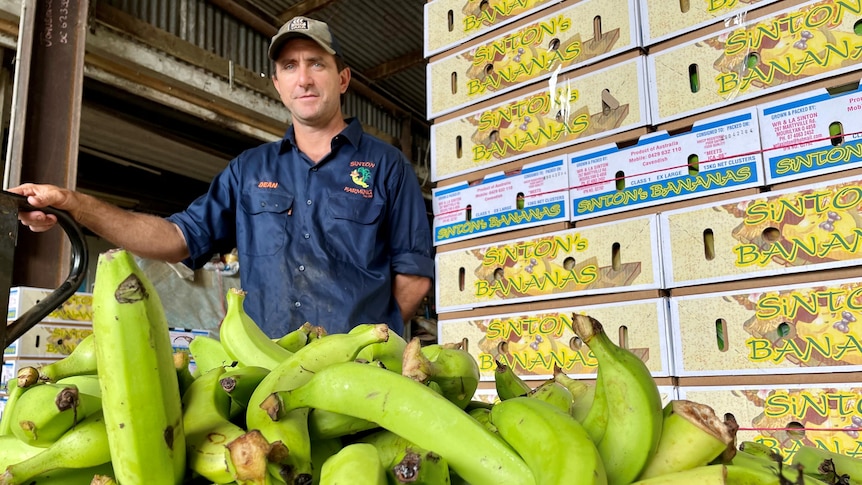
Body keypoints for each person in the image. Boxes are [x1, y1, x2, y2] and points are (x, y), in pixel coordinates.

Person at [9, 16, 434, 338]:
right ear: (277, 84)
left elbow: (413, 278)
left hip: (359, 379)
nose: (303, 78)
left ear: (342, 79)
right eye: (290, 66)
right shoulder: (250, 170)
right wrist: (75, 204)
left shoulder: (387, 166)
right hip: (263, 376)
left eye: (316, 64)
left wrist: (363, 345)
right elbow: (175, 239)